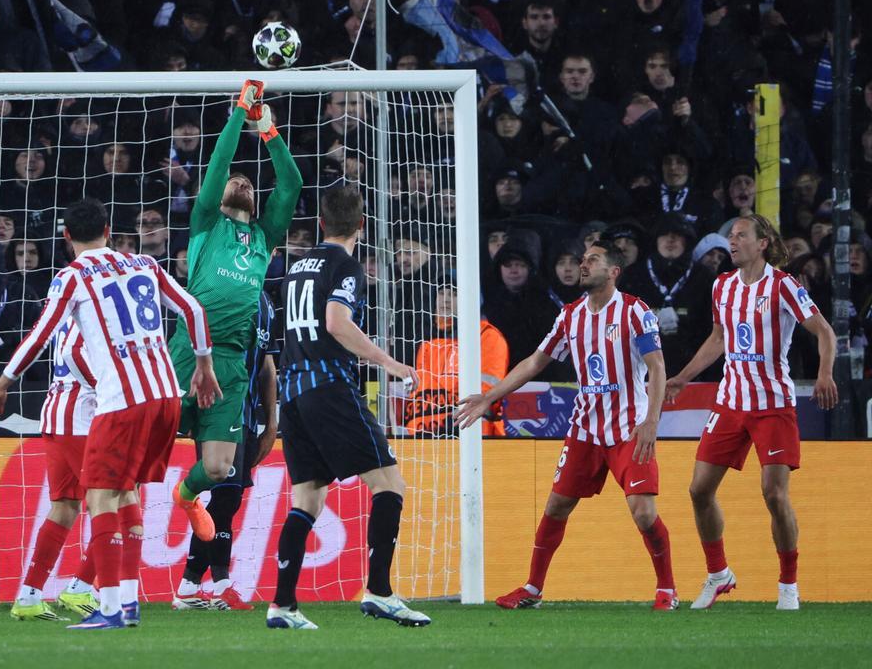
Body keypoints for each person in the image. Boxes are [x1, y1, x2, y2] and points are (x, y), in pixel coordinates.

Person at [0, 197, 220, 631]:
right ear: (109, 230)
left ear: (66, 236)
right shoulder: (145, 263)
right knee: (124, 495)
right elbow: (194, 309)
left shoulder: (72, 276)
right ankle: (124, 604)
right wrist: (203, 364)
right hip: (166, 395)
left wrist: (3, 382)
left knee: (101, 498)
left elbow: (42, 334)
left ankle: (107, 607)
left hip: (119, 402)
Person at [458, 241, 676, 611]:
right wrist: (489, 396)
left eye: (593, 260)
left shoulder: (635, 312)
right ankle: (533, 588)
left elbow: (656, 366)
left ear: (613, 272)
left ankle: (667, 590)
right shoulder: (570, 316)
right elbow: (534, 362)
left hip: (630, 427)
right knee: (557, 505)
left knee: (643, 510)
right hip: (586, 428)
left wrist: (651, 421)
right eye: (582, 259)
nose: (583, 265)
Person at [268, 184, 428, 630]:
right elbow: (337, 323)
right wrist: (389, 362)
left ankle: (282, 605)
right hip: (329, 388)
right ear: (361, 225)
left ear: (321, 223)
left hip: (293, 392)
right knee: (389, 485)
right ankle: (379, 591)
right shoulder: (347, 266)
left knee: (307, 499)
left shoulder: (298, 267)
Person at [665, 214, 838, 611]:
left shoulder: (784, 286)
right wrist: (683, 377)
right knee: (698, 490)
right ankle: (718, 574)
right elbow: (719, 338)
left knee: (774, 495)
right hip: (730, 402)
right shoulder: (722, 286)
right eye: (731, 236)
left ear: (763, 244)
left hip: (772, 405)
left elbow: (824, 331)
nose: (733, 241)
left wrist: (824, 374)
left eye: (741, 235)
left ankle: (788, 584)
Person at [168, 80, 302, 549]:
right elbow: (219, 163)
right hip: (187, 349)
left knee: (221, 468)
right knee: (147, 445)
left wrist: (265, 126)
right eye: (233, 180)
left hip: (230, 362)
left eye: (247, 181)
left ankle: (186, 498)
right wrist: (237, 113)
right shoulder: (206, 221)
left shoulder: (265, 237)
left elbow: (291, 184)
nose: (240, 179)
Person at [0, 229, 101, 623]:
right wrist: (110, 391)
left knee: (64, 507)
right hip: (84, 414)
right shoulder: (97, 293)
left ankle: (29, 595)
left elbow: (52, 343)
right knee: (121, 499)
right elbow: (79, 352)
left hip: (55, 412)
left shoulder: (66, 292)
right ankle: (81, 590)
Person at [173, 290, 279, 611]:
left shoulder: (268, 305)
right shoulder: (220, 289)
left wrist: (271, 423)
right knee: (224, 497)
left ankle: (194, 585)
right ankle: (215, 584)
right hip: (216, 409)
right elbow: (193, 348)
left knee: (228, 500)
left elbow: (267, 367)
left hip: (246, 415)